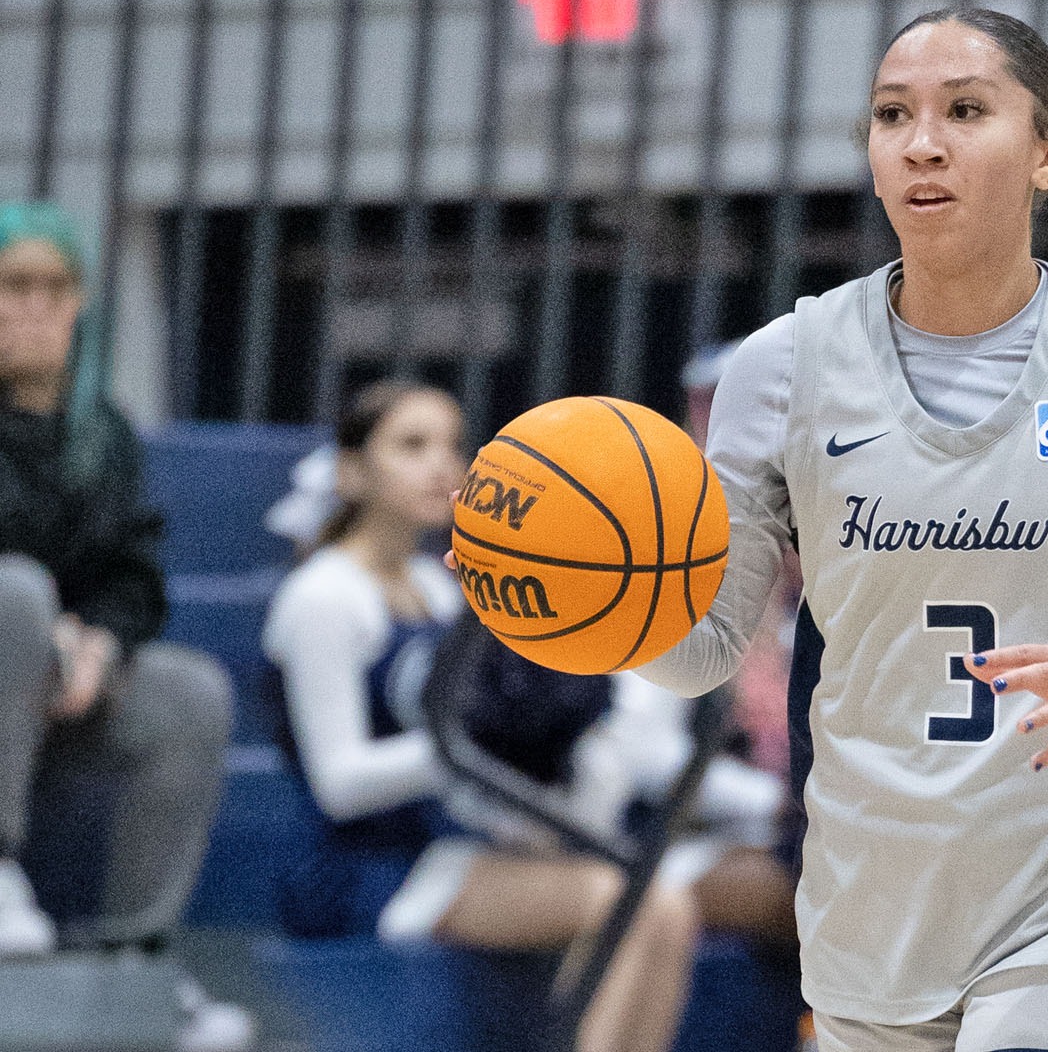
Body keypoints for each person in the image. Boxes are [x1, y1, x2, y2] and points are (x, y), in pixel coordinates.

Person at [632, 7, 1048, 1052]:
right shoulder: (784, 368)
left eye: (964, 110)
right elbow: (705, 650)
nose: (922, 142)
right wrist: (587, 611)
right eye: (891, 114)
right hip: (873, 911)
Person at [262, 379, 696, 1052]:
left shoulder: (440, 588)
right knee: (624, 904)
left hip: (459, 847)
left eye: (453, 445)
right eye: (412, 445)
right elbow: (339, 784)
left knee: (666, 905)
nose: (442, 465)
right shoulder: (323, 595)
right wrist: (468, 745)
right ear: (351, 471)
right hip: (370, 870)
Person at [0, 201, 249, 1048]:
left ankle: (133, 954)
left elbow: (132, 579)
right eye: (12, 285)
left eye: (54, 287)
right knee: (16, 594)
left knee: (187, 690)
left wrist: (100, 642)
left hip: (44, 696)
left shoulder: (102, 435)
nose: (35, 307)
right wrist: (45, 628)